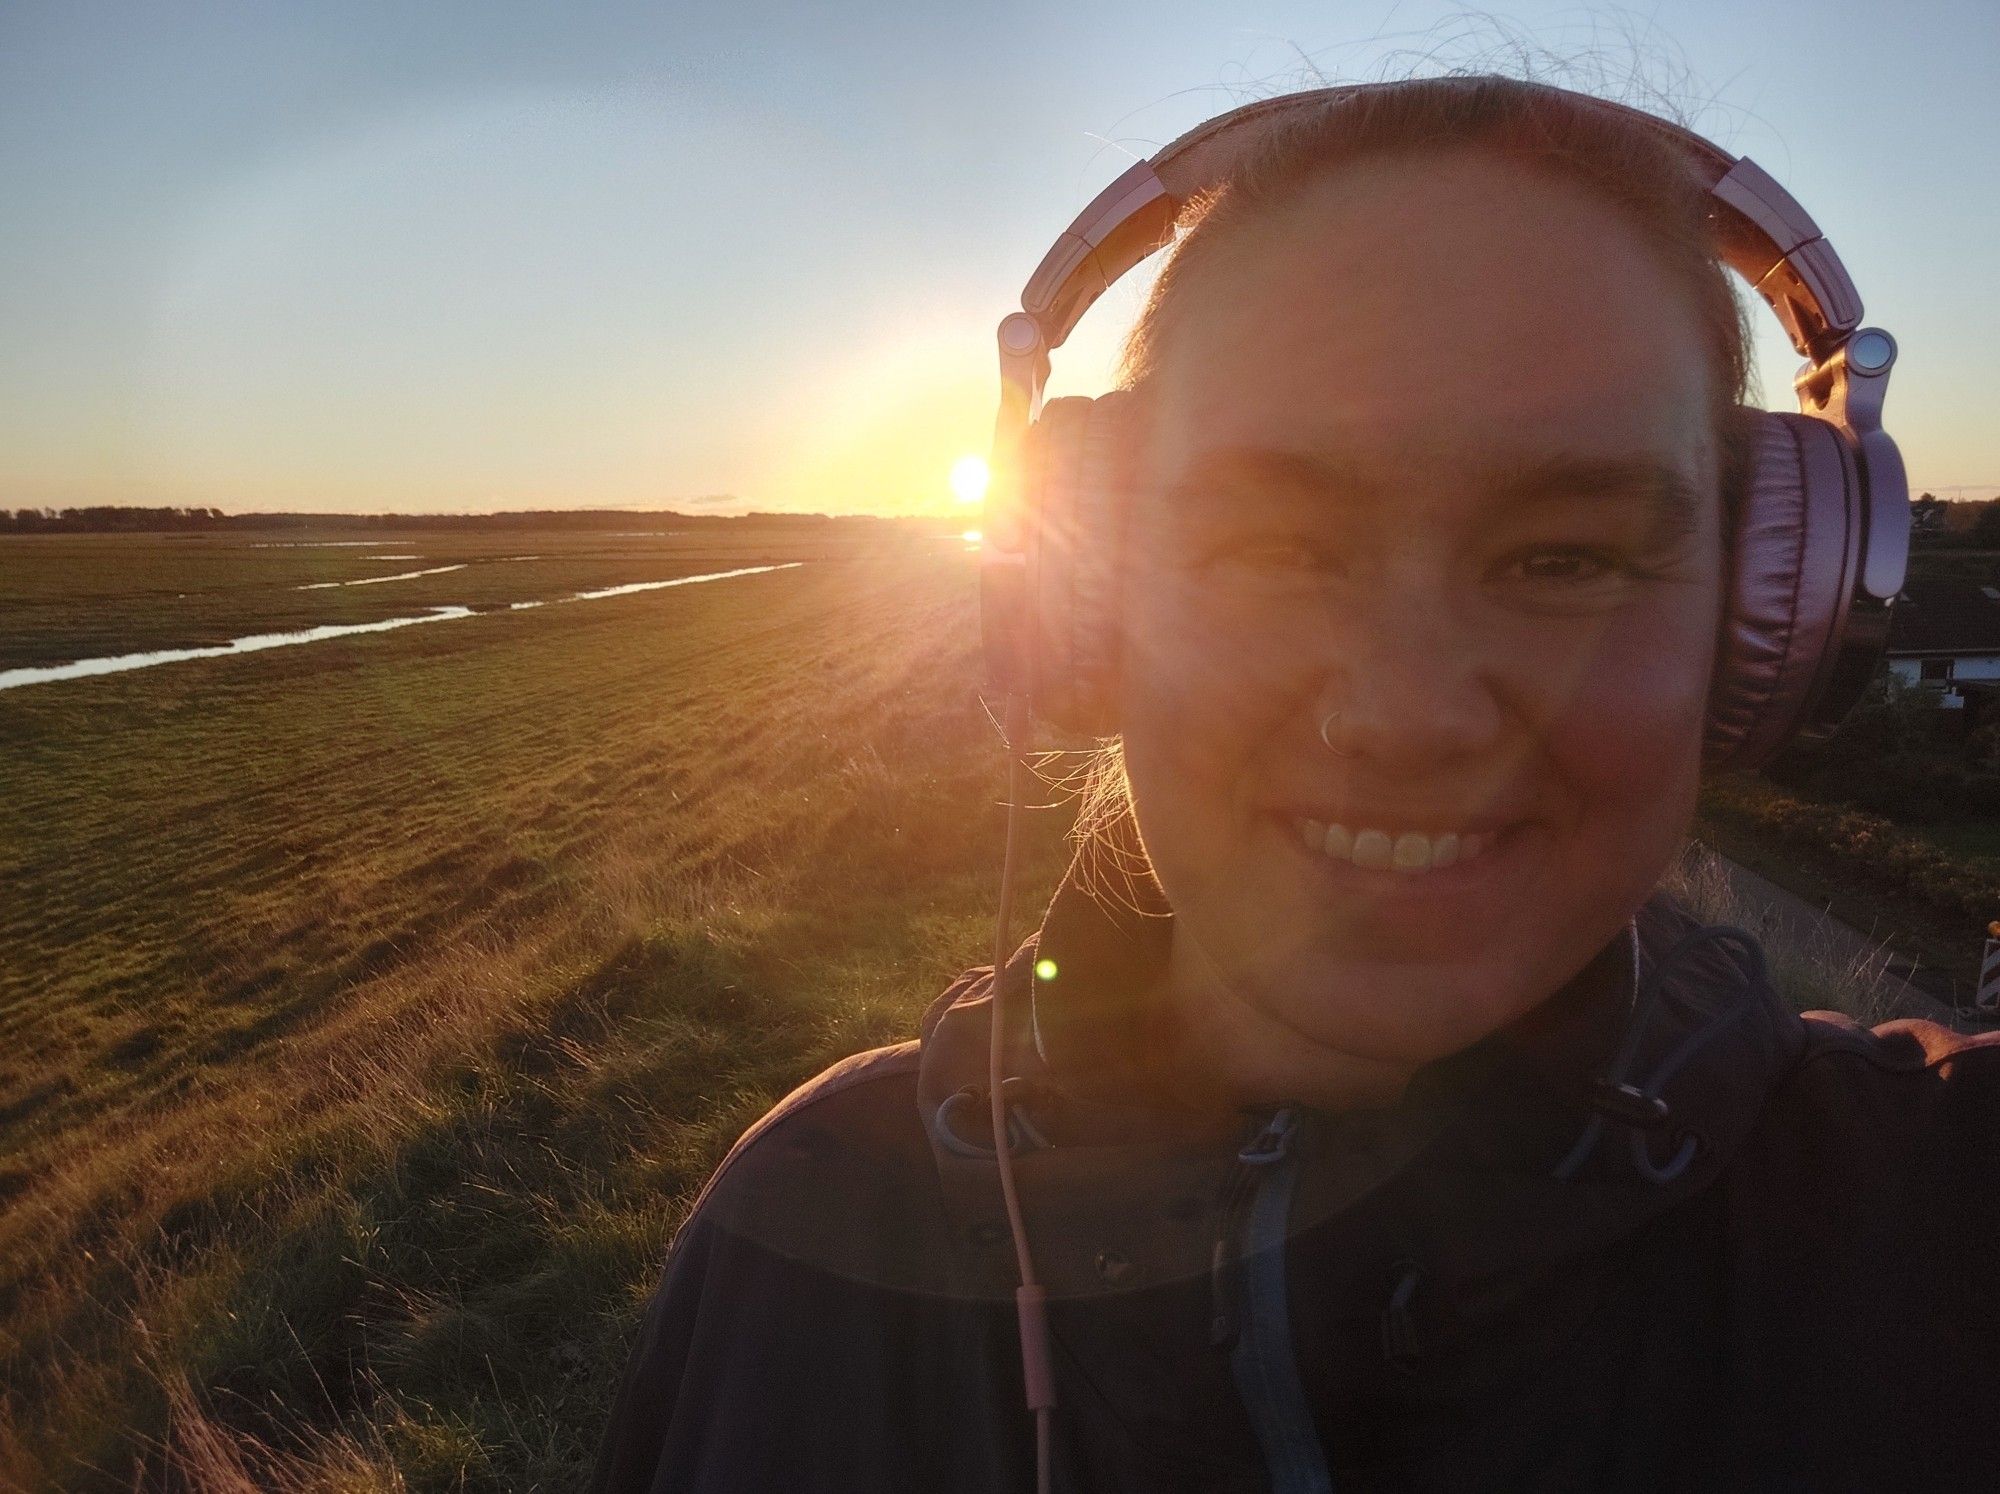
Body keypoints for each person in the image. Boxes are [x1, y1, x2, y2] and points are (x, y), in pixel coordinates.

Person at [591, 75, 2000, 1493]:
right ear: (1087, 606)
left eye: (1565, 557)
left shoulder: (1950, 1212)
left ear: (1769, 627)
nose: (1404, 714)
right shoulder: (800, 1240)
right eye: (1272, 550)